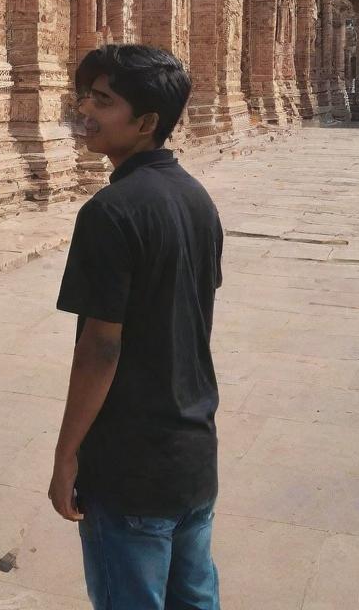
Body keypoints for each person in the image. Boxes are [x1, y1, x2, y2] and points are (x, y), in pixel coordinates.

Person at [48, 44, 223, 610]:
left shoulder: (109, 212)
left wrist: (67, 453)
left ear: (146, 123)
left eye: (103, 100)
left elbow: (101, 347)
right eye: (87, 95)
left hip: (130, 465)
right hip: (192, 452)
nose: (85, 109)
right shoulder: (197, 200)